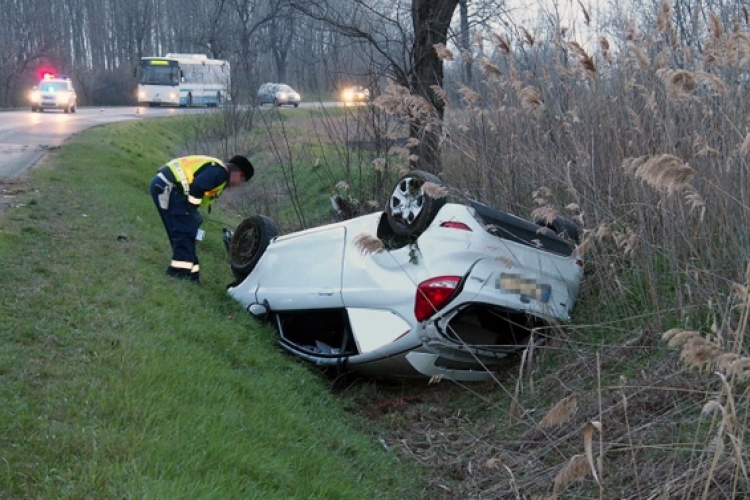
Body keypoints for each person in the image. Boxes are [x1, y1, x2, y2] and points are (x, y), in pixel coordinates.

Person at [149, 154, 254, 283]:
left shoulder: (218, 171)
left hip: (168, 186)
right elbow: (197, 188)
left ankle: (191, 274)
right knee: (183, 231)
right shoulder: (220, 172)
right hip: (170, 188)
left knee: (186, 231)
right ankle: (178, 273)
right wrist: (191, 208)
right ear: (239, 173)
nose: (238, 184)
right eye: (241, 180)